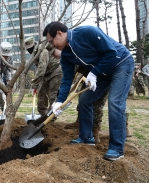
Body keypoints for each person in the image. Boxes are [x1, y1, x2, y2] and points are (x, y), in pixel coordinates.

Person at [44, 21, 134, 161]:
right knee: (85, 100)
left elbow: (111, 52)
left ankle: (117, 148)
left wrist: (93, 73)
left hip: (121, 64)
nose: (52, 45)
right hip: (102, 73)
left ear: (60, 34)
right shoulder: (66, 55)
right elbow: (67, 79)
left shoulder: (88, 32)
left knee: (115, 102)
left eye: (51, 41)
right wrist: (59, 101)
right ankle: (86, 137)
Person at [23, 37, 62, 116]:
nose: (29, 51)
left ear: (35, 45)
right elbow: (38, 70)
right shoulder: (34, 55)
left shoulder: (43, 51)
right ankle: (44, 116)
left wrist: (35, 84)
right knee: (41, 97)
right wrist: (37, 86)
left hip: (55, 72)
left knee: (52, 96)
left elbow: (41, 69)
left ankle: (51, 118)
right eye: (28, 49)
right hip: (45, 74)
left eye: (30, 49)